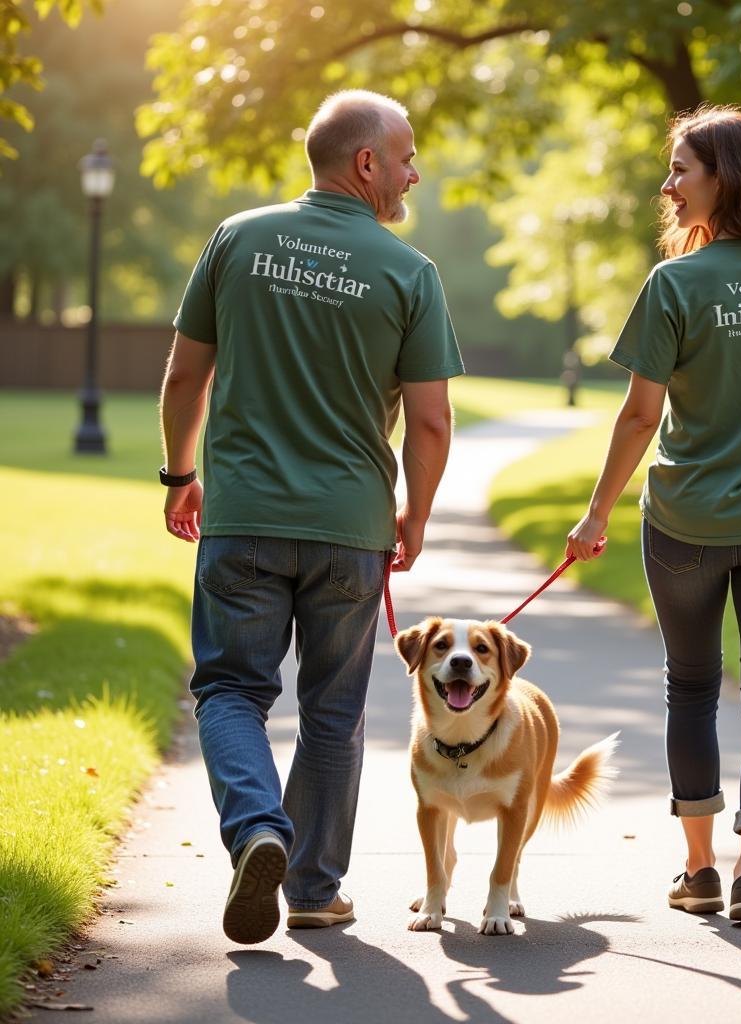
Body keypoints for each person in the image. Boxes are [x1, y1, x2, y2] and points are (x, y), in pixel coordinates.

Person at [159, 89, 463, 944]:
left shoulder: (238, 237)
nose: (413, 171)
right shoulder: (410, 272)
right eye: (405, 155)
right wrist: (416, 515)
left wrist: (181, 473)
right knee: (335, 709)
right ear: (365, 163)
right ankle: (316, 889)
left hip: (244, 516)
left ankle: (258, 828)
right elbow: (433, 421)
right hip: (350, 528)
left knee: (229, 689)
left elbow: (186, 376)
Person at [566, 104, 741, 925]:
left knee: (690, 689)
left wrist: (595, 516)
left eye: (681, 170)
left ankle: (697, 871)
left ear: (724, 176)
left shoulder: (676, 284)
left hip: (686, 526)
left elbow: (637, 416)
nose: (668, 186)